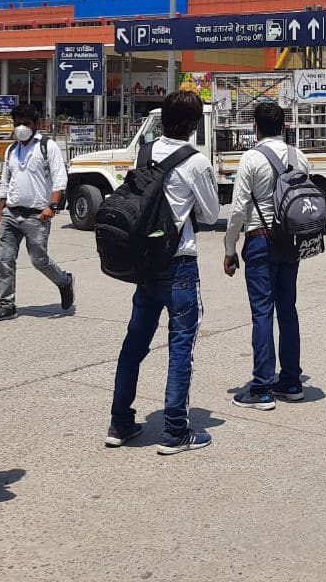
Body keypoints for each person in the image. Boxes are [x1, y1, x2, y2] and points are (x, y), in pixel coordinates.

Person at [108, 91, 219, 455]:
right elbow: (209, 214)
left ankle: (120, 422)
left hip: (144, 264)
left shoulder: (144, 152)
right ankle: (175, 431)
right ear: (193, 124)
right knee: (181, 345)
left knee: (134, 343)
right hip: (179, 263)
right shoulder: (195, 162)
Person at [223, 101, 311, 409]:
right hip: (292, 242)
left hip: (260, 239)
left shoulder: (251, 158)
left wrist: (229, 249)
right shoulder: (299, 156)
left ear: (254, 128)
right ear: (284, 126)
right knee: (288, 309)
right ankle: (290, 382)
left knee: (262, 312)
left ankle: (261, 388)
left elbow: (238, 210)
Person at [0, 104, 74, 324]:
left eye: (26, 123)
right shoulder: (12, 150)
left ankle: (63, 281)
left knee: (39, 260)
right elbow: (5, 182)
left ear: (36, 125)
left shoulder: (47, 146)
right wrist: (0, 212)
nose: (21, 128)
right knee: (4, 260)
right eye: (17, 123)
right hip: (11, 213)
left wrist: (52, 206)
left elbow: (60, 178)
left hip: (37, 215)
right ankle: (7, 305)